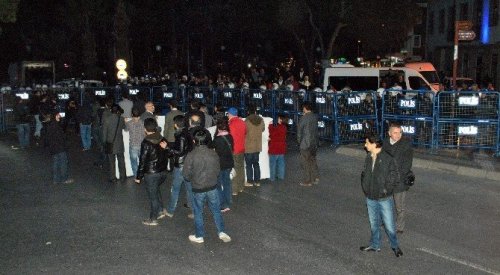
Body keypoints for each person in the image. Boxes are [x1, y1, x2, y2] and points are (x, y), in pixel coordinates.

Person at [183, 129, 231, 244]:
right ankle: (222, 232)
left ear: (194, 141)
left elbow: (186, 174)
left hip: (198, 187)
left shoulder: (191, 155)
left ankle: (199, 235)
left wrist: (191, 179)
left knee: (198, 211)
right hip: (212, 186)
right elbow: (218, 170)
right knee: (216, 210)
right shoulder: (213, 153)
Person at [360, 134, 403, 257]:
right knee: (374, 224)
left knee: (389, 225)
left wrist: (385, 190)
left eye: (367, 143)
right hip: (370, 196)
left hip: (384, 197)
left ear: (374, 144)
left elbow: (395, 177)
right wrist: (365, 187)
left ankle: (395, 246)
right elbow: (365, 174)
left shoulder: (387, 158)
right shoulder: (368, 156)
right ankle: (375, 245)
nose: (365, 145)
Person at [134, 118, 168, 226]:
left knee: (153, 197)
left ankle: (153, 219)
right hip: (162, 172)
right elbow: (168, 154)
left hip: (151, 173)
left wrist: (138, 176)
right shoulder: (162, 138)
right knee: (156, 189)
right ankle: (161, 210)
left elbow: (142, 161)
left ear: (145, 129)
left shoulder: (146, 142)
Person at [383, 122, 413, 234]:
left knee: (399, 206)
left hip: (399, 181)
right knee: (385, 203)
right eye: (395, 132)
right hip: (386, 179)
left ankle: (399, 226)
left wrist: (396, 177)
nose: (398, 135)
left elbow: (407, 165)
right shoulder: (385, 143)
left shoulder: (406, 145)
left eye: (400, 132)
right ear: (389, 133)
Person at [163, 115, 194, 218]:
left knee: (175, 189)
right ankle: (194, 210)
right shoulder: (187, 133)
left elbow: (180, 152)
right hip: (188, 164)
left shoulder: (181, 135)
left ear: (176, 124)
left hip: (181, 165)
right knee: (189, 188)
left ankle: (170, 210)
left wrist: (167, 148)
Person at [41, 111, 73, 184]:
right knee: (63, 163)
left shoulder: (49, 125)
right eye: (58, 115)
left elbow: (47, 138)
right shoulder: (55, 125)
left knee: (56, 163)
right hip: (59, 147)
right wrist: (65, 142)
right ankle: (64, 179)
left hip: (53, 147)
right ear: (54, 116)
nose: (60, 116)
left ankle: (55, 179)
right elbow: (60, 137)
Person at [210, 118, 234, 212]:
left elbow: (212, 149)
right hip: (229, 163)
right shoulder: (230, 137)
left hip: (220, 164)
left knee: (218, 185)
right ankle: (228, 200)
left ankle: (223, 205)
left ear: (218, 128)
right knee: (227, 183)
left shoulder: (217, 139)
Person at [102, 104, 126, 183]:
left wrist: (104, 143)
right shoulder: (121, 119)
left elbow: (104, 133)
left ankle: (113, 178)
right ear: (118, 111)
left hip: (110, 143)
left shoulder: (107, 119)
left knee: (111, 162)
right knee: (121, 160)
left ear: (111, 110)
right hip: (119, 143)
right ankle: (123, 177)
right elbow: (124, 128)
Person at [297, 102, 319, 186]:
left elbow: (299, 132)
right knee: (313, 160)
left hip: (305, 143)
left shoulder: (303, 118)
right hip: (314, 142)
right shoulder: (315, 116)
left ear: (305, 108)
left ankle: (308, 181)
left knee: (305, 162)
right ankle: (315, 177)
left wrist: (299, 142)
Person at [227, 107, 246, 195]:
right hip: (242, 148)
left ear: (229, 114)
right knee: (241, 168)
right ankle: (241, 187)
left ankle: (234, 190)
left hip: (234, 149)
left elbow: (229, 137)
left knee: (233, 169)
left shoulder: (230, 124)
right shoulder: (242, 122)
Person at [244, 105, 264, 186]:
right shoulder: (261, 119)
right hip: (257, 146)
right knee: (256, 164)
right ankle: (257, 181)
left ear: (248, 112)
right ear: (255, 111)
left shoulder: (247, 121)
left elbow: (244, 131)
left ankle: (249, 181)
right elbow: (263, 129)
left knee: (248, 165)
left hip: (248, 146)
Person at [125, 107, 145, 177]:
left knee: (134, 162)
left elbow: (126, 130)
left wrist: (125, 122)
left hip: (133, 145)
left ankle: (137, 176)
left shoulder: (129, 123)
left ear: (132, 115)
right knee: (142, 162)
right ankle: (142, 175)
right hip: (142, 145)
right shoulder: (143, 122)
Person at [268, 114, 288, 182]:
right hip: (282, 148)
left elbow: (271, 134)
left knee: (272, 164)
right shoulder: (284, 127)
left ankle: (272, 178)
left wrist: (270, 125)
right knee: (281, 163)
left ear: (280, 119)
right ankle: (281, 176)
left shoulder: (275, 127)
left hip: (274, 148)